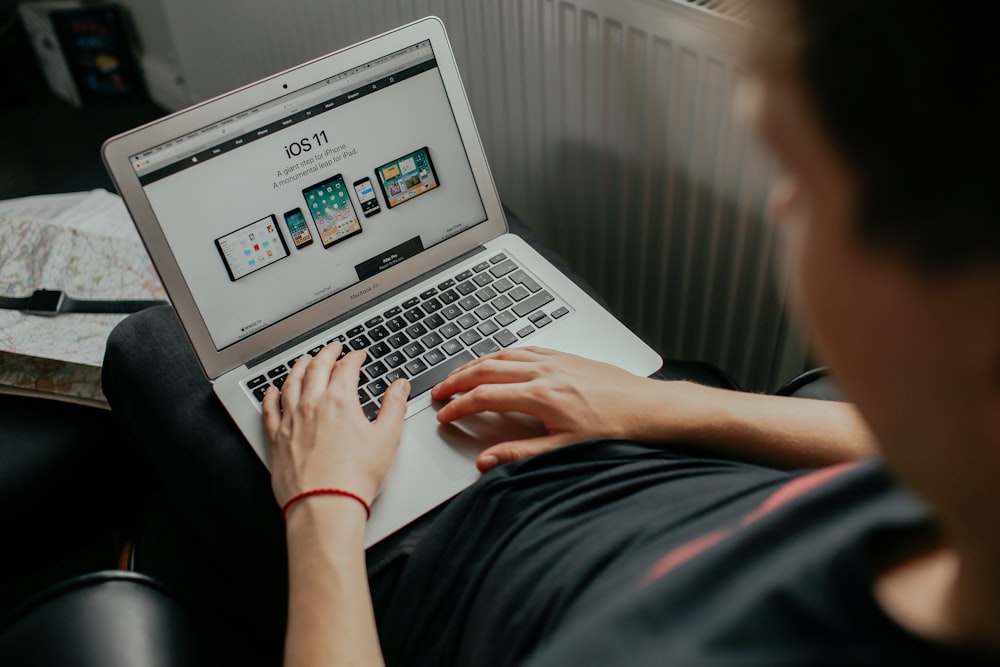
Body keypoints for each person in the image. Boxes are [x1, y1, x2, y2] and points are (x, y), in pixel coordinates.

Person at [103, 0, 1000, 664]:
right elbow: (876, 444)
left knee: (150, 345)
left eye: (800, 173)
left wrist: (322, 508)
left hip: (434, 557)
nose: (783, 203)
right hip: (643, 443)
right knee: (481, 238)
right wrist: (658, 404)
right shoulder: (961, 470)